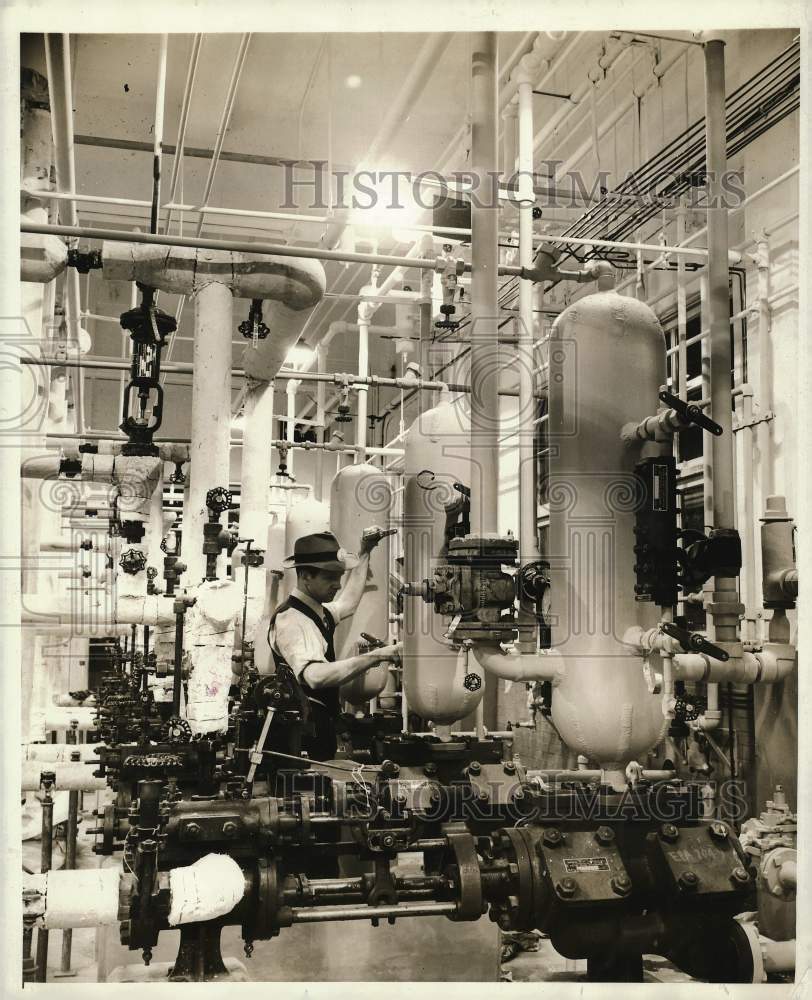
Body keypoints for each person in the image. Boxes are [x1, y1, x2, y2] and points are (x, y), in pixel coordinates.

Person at [267, 528, 402, 762]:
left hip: (318, 726)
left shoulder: (317, 610)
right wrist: (377, 656)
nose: (338, 585)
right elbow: (315, 676)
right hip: (299, 739)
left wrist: (365, 552)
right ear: (305, 575)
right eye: (330, 577)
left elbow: (348, 603)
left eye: (339, 576)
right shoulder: (292, 620)